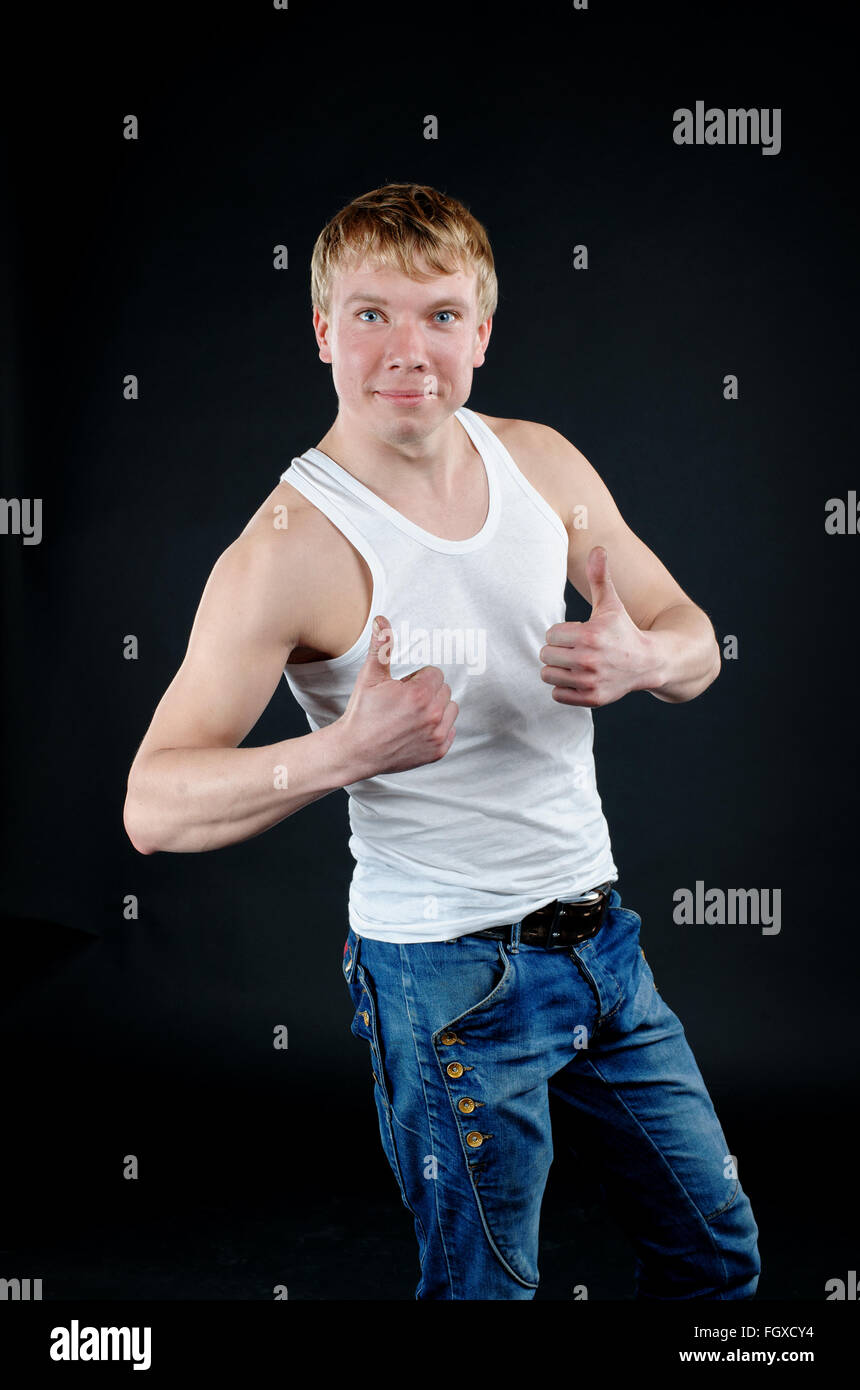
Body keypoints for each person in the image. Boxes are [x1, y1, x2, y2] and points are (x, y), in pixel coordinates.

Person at [123, 181, 760, 1301]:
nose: (406, 349)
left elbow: (696, 638)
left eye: (440, 314)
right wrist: (343, 751)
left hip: (603, 946)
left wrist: (644, 662)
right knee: (484, 1295)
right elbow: (151, 807)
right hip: (445, 976)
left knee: (717, 1261)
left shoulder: (543, 464)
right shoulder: (286, 546)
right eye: (370, 314)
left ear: (483, 331)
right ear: (322, 330)